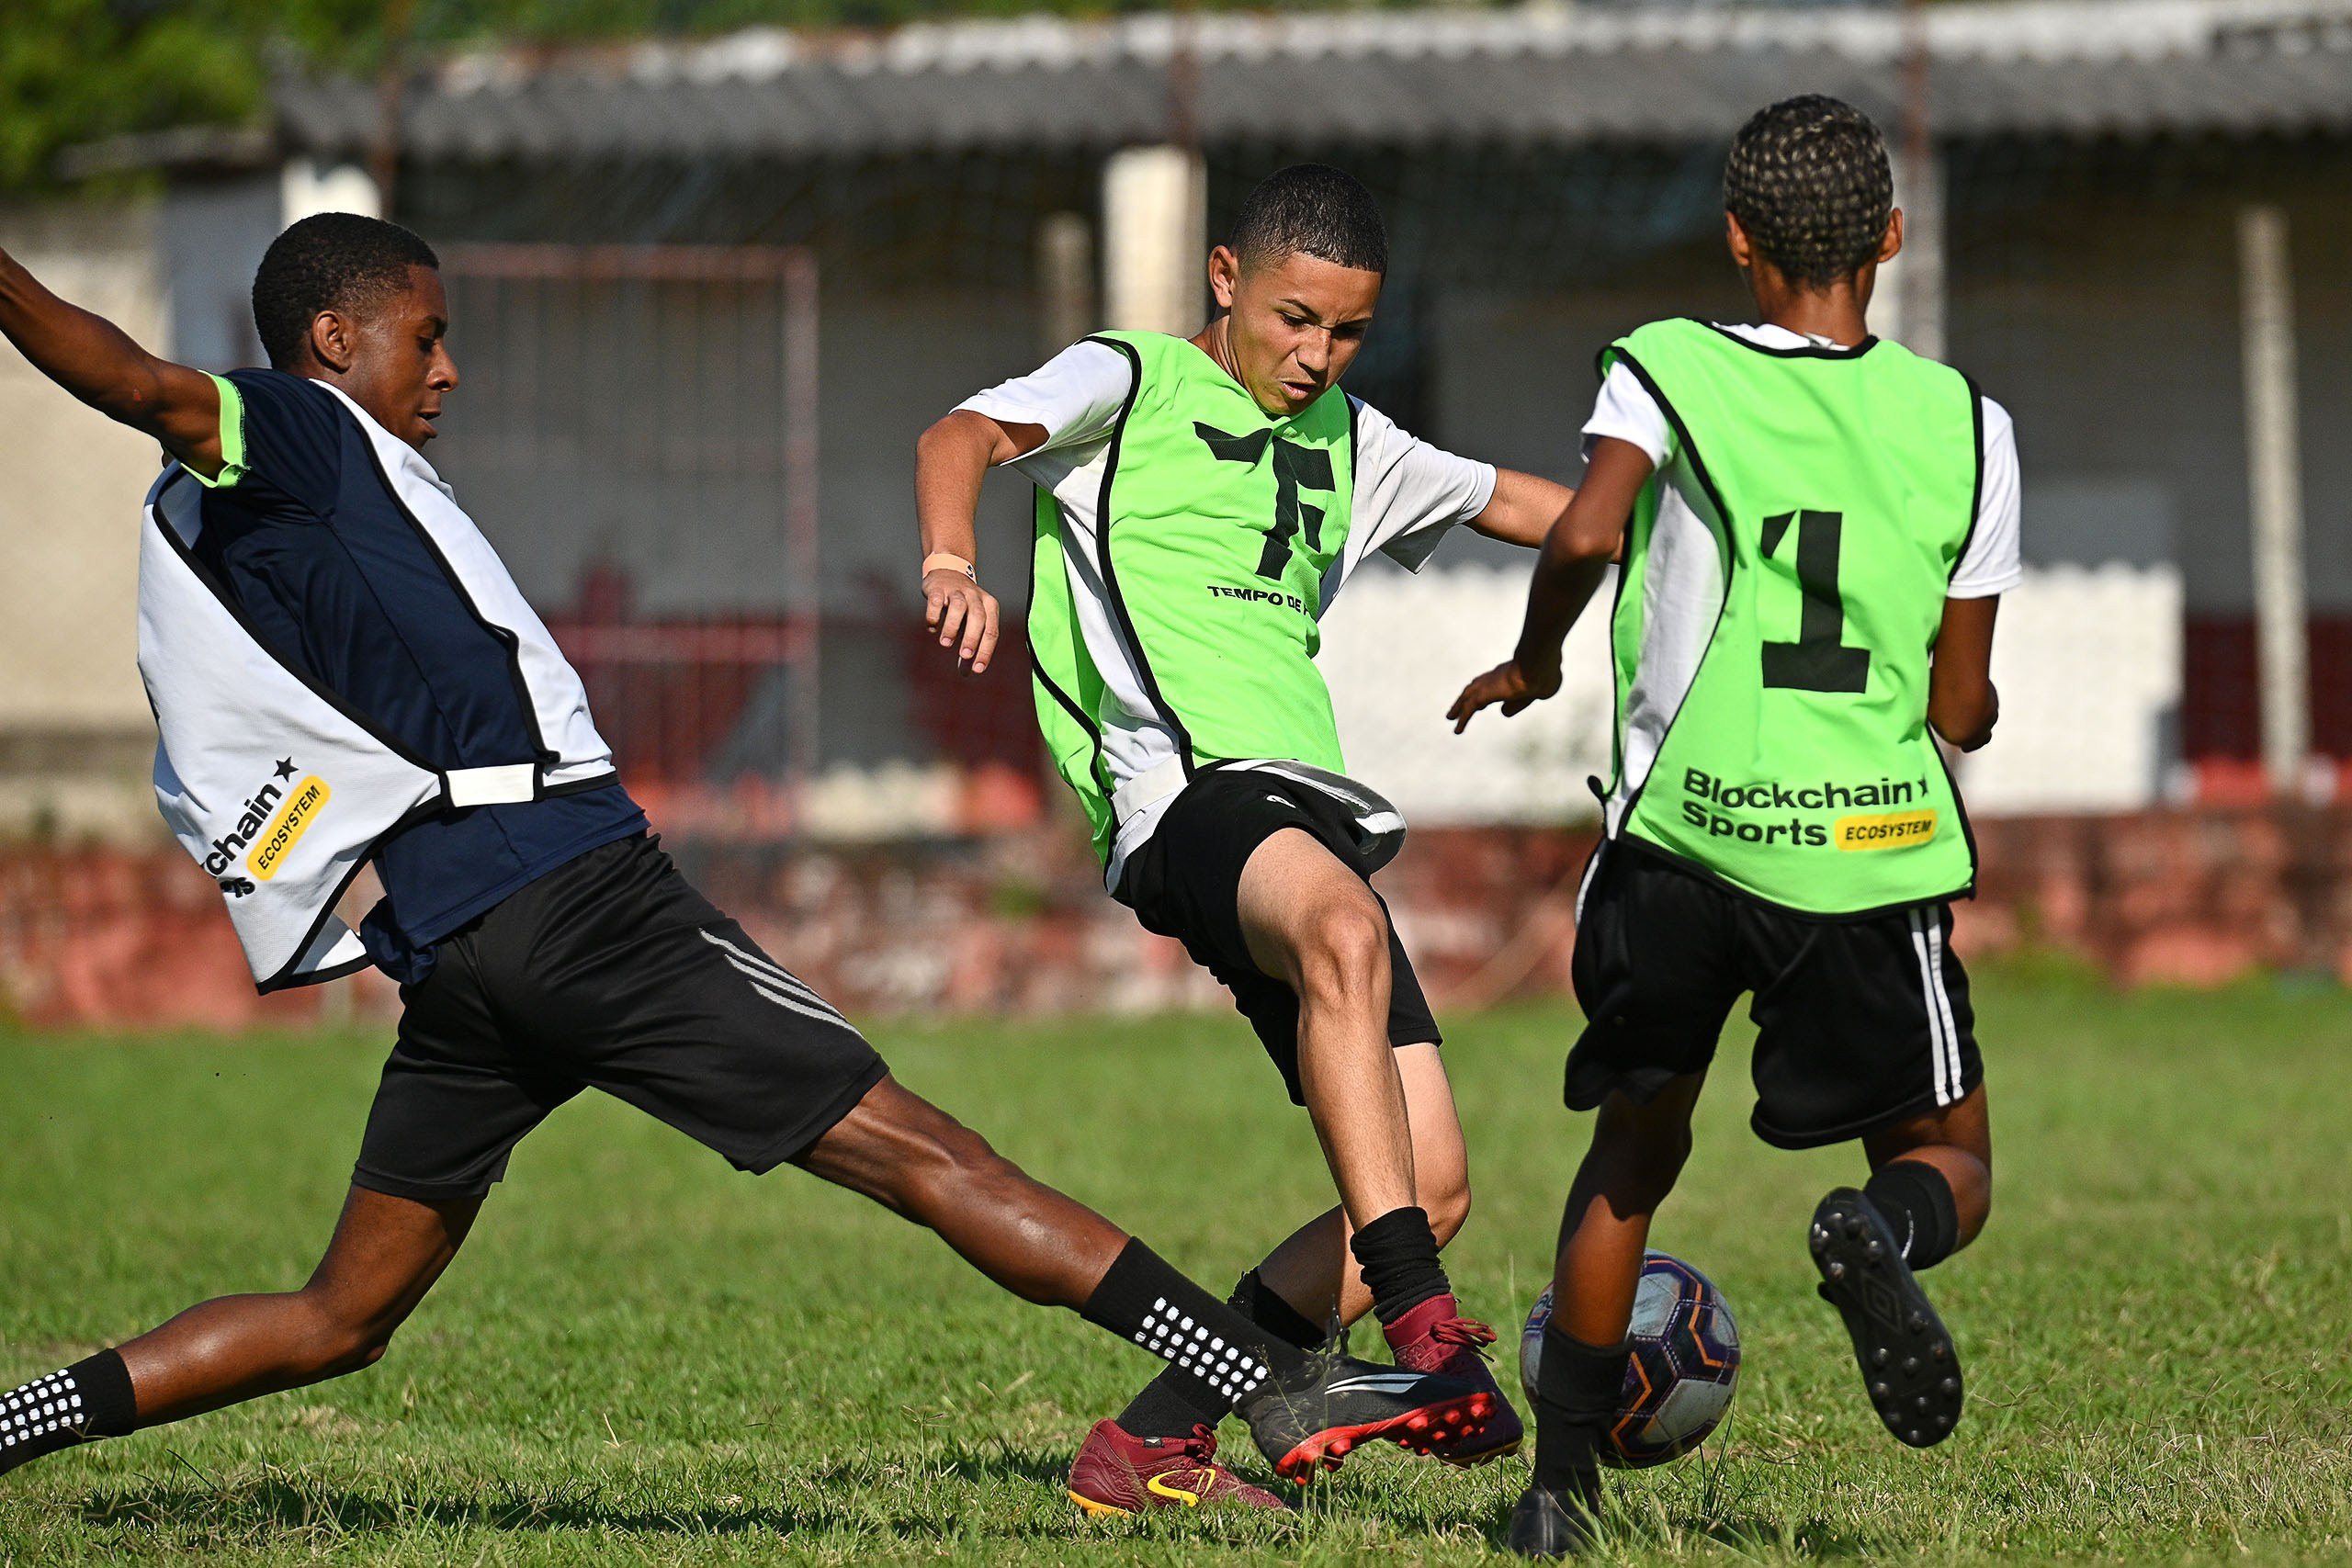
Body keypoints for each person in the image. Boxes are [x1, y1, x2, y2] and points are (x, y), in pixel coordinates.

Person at [0, 212, 1493, 1512]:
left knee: (341, 1316)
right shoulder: (301, 432)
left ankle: (16, 1421)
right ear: (333, 339)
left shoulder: (302, 506)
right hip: (577, 896)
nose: (448, 370)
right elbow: (129, 377)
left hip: (465, 936)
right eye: (425, 337)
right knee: (935, 1159)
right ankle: (1268, 1384)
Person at [914, 164, 1577, 1515]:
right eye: (1292, 322)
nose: (1314, 356)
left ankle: (1153, 1437)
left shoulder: (1351, 435)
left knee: (1429, 1183)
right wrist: (948, 558)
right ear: (1225, 280)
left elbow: (1533, 508)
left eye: (1345, 332)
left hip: (1303, 816)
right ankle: (1421, 1333)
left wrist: (1716, 539)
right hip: (1185, 800)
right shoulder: (1131, 380)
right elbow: (960, 436)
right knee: (1343, 942)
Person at [1448, 96, 2016, 1557]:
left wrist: (1540, 658)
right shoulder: (1967, 425)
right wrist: (1963, 709)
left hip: (1679, 849)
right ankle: (1875, 1238)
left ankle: (1556, 1496)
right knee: (1950, 1150)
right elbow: (1960, 705)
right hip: (1867, 853)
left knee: (1635, 1148)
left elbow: (1583, 530)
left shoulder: (1670, 366)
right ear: (1891, 239)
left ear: (1738, 242)